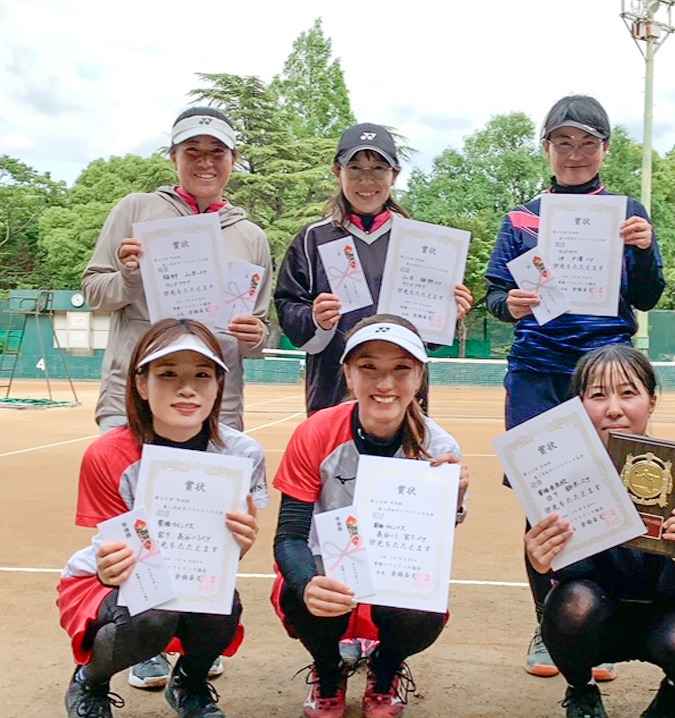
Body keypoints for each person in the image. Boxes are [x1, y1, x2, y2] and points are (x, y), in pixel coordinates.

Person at [81, 105, 271, 689]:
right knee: (135, 519)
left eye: (217, 152)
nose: (205, 162)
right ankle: (142, 638)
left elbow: (258, 333)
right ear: (174, 157)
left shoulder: (251, 235)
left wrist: (256, 335)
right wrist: (129, 275)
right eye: (193, 151)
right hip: (137, 398)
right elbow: (94, 291)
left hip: (214, 407)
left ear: (233, 161)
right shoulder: (136, 210)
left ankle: (194, 636)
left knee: (205, 523)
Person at [484, 94, 665, 679]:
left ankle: (598, 624)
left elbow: (648, 295)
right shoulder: (520, 217)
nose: (575, 153)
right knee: (542, 501)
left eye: (587, 142)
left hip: (605, 370)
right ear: (547, 148)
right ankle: (550, 625)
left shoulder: (626, 212)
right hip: (538, 371)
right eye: (563, 142)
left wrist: (643, 249)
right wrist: (510, 304)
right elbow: (494, 297)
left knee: (614, 494)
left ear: (604, 149)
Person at [57, 319, 267, 718]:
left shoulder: (242, 454)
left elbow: (219, 557)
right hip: (103, 580)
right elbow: (112, 556)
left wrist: (237, 545)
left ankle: (188, 683)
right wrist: (108, 566)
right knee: (152, 616)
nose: (187, 389)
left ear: (218, 385)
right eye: (168, 374)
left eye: (202, 375)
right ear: (141, 384)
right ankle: (90, 682)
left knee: (223, 607)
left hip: (188, 575)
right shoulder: (107, 454)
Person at [271, 314, 468, 718]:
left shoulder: (439, 447)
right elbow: (289, 535)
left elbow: (429, 547)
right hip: (331, 565)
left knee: (422, 605)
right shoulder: (315, 433)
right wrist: (307, 584)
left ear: (420, 377)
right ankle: (328, 669)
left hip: (393, 565)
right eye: (368, 367)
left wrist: (454, 498)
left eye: (401, 368)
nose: (385, 383)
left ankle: (386, 666)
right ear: (347, 374)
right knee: (299, 592)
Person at [525, 345, 675, 718]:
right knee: (569, 606)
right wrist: (543, 564)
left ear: (651, 402)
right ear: (579, 406)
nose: (613, 408)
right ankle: (581, 690)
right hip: (598, 612)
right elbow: (571, 579)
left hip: (671, 613)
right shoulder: (557, 479)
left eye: (628, 393)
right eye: (598, 395)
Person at [274, 122, 473, 416]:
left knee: (400, 446)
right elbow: (287, 305)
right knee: (333, 446)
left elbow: (428, 340)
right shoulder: (312, 238)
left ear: (394, 174)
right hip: (332, 392)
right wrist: (315, 319)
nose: (366, 180)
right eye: (355, 168)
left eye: (378, 168)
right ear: (337, 172)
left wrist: (448, 314)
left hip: (402, 397)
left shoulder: (421, 242)